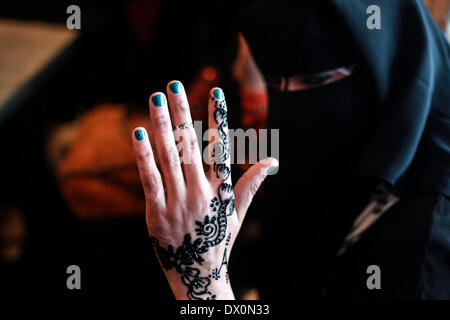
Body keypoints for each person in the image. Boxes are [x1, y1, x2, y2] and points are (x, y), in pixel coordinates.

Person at [132, 0, 450, 299]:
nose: (291, 102)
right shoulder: (336, 168)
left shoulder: (425, 248)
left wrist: (204, 286)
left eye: (313, 79)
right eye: (277, 84)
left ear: (389, 64)